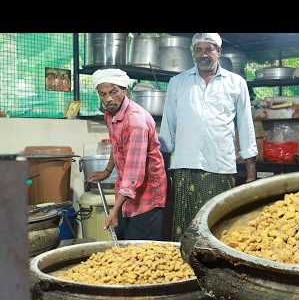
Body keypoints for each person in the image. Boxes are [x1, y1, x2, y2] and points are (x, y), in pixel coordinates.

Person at [159, 33, 258, 241]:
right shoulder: (178, 82)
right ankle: (184, 270)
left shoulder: (236, 83)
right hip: (184, 166)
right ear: (193, 53)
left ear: (219, 52)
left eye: (209, 49)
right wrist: (162, 173)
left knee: (218, 226)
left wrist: (251, 174)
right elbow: (167, 128)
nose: (203, 54)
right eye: (199, 49)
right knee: (185, 228)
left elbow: (246, 126)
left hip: (220, 166)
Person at [88, 68, 168, 240]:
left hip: (147, 196)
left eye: (113, 92)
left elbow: (134, 176)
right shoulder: (110, 113)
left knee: (143, 252)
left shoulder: (135, 122)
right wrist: (107, 171)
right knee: (125, 245)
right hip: (127, 194)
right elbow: (117, 146)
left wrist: (114, 212)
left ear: (125, 90)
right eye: (103, 94)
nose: (108, 99)